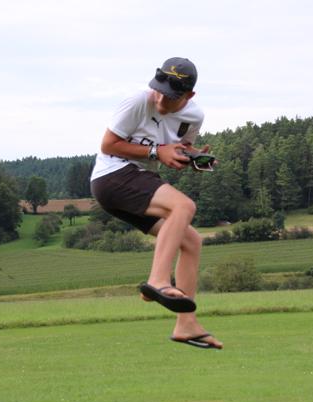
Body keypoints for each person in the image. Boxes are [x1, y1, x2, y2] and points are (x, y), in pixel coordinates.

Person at [90, 57, 223, 350]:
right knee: (184, 206)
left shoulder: (194, 117)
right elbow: (108, 145)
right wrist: (156, 152)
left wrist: (193, 157)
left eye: (172, 96)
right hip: (112, 175)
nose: (161, 100)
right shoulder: (138, 101)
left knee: (192, 242)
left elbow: (178, 148)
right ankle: (158, 281)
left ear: (189, 96)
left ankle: (186, 324)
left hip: (136, 178)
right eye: (159, 91)